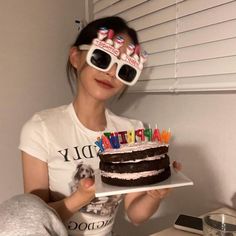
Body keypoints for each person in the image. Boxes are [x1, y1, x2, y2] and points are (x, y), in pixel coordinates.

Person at [1, 16, 181, 236]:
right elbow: (32, 218)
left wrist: (154, 195)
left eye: (124, 69)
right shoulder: (40, 129)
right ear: (75, 57)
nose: (112, 72)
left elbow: (135, 215)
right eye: (102, 57)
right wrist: (82, 197)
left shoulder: (131, 132)